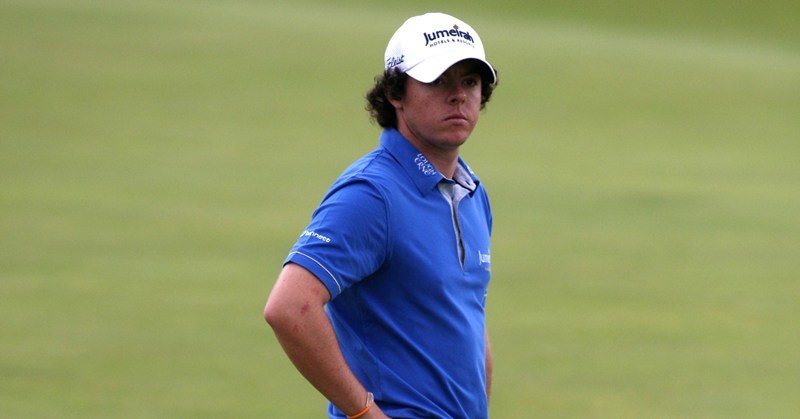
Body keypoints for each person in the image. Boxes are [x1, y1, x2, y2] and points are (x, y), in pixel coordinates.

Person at [264, 12, 499, 419]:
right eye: (437, 81)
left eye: (469, 82)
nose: (458, 95)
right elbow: (290, 307)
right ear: (395, 93)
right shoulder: (372, 193)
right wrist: (364, 414)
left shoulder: (472, 192)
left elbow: (469, 317)